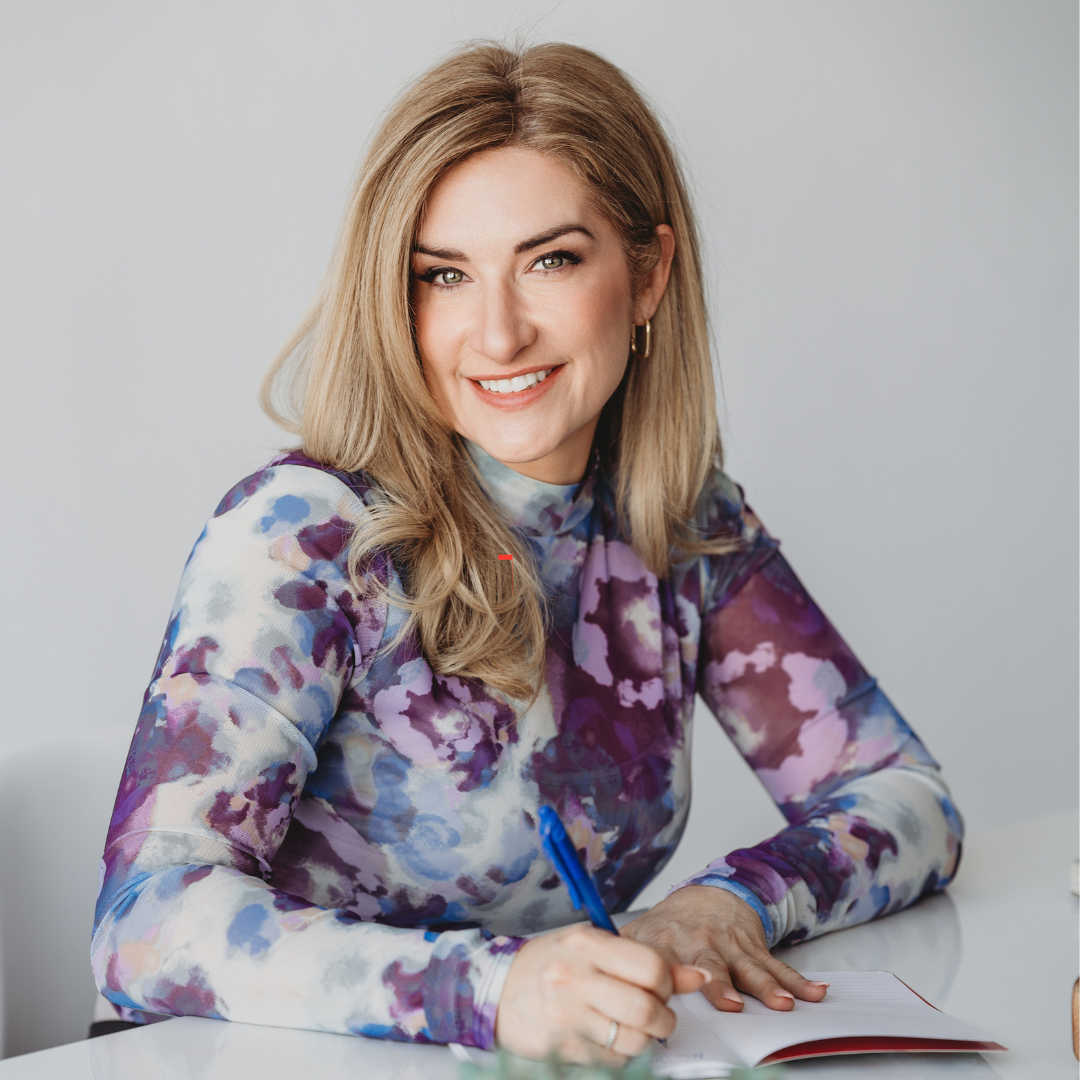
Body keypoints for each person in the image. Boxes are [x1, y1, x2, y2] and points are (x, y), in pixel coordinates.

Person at [91, 41, 963, 1065]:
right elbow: (144, 929)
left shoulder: (677, 525)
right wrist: (492, 989)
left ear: (647, 276)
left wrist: (730, 906)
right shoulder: (301, 535)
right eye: (443, 275)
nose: (497, 334)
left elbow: (908, 799)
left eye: (551, 260)